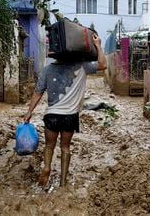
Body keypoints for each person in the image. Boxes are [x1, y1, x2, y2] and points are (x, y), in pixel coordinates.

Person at [24, 34, 107, 187]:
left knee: (49, 145)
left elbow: (38, 92)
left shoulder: (47, 70)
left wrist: (29, 112)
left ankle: (47, 167)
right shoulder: (83, 66)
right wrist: (98, 45)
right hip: (70, 117)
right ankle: (62, 182)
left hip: (52, 116)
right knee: (65, 147)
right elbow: (103, 65)